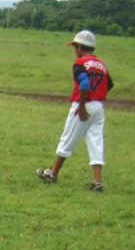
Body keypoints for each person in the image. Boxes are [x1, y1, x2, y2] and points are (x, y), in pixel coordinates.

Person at [37, 30, 114, 191]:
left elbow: (84, 84)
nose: (75, 51)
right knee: (96, 142)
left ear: (79, 47)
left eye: (75, 47)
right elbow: (109, 85)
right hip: (99, 107)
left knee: (67, 139)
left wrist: (82, 105)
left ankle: (52, 174)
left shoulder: (80, 63)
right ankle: (97, 182)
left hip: (83, 105)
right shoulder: (101, 64)